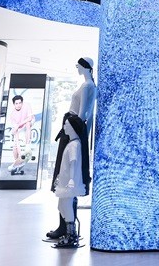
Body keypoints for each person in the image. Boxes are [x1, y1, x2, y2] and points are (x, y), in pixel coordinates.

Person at [46, 57, 97, 242]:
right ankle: (65, 226)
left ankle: (68, 228)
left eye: (78, 65)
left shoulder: (88, 86)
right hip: (72, 130)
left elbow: (83, 114)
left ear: (85, 67)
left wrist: (72, 131)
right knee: (64, 174)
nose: (76, 67)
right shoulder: (87, 85)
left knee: (68, 175)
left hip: (73, 132)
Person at [51, 113, 91, 249]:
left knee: (66, 206)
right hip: (65, 181)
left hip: (69, 183)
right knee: (61, 206)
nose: (64, 127)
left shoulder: (74, 145)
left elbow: (73, 162)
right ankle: (70, 232)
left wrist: (72, 179)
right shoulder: (72, 144)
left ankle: (71, 234)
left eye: (67, 125)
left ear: (73, 127)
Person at [7, 94, 34, 175]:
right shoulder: (12, 115)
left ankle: (27, 143)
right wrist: (20, 155)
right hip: (18, 127)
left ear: (22, 103)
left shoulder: (27, 105)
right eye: (16, 103)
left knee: (28, 123)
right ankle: (16, 162)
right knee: (16, 145)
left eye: (20, 103)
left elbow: (30, 118)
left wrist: (19, 124)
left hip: (28, 122)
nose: (18, 105)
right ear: (14, 104)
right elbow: (16, 135)